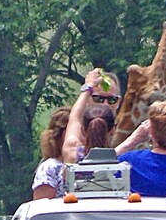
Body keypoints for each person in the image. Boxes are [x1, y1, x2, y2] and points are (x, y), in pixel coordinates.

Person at [31, 69, 120, 200]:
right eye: (99, 98)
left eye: (112, 99)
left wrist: (88, 87)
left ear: (82, 129)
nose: (105, 104)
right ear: (112, 130)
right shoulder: (125, 158)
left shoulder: (73, 153)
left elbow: (75, 117)